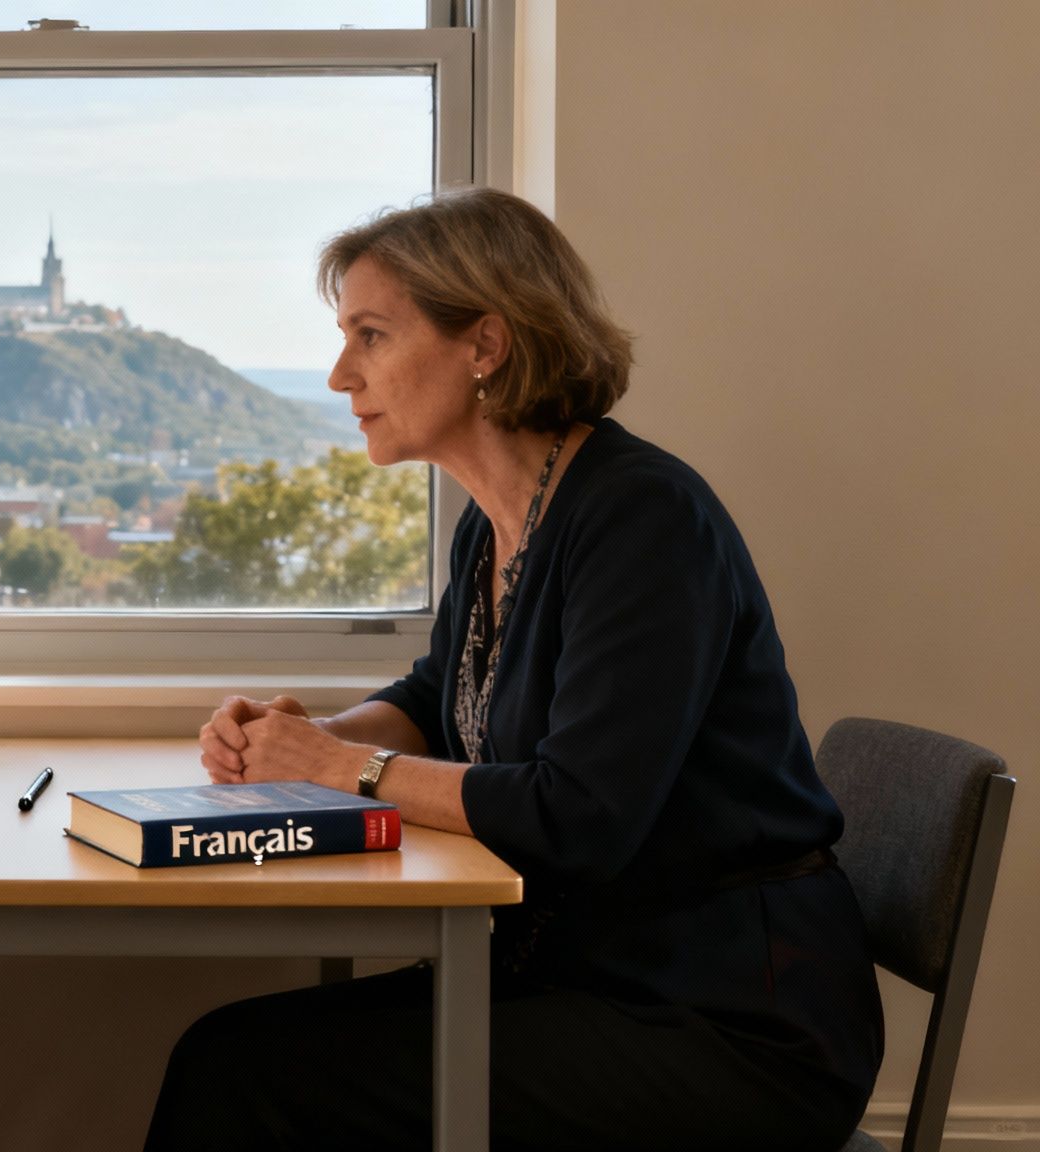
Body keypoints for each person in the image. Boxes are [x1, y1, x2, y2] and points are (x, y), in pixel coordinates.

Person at [146, 188, 882, 1151]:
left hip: (728, 1020)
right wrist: (309, 740)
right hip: (581, 971)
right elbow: (436, 698)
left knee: (247, 1079)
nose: (338, 375)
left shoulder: (643, 519)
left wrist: (338, 770)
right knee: (225, 1052)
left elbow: (579, 817)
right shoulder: (495, 520)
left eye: (371, 336)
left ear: (484, 344)